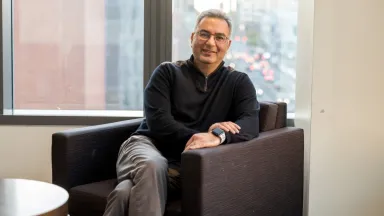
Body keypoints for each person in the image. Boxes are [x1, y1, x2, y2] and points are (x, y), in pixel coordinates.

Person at [103, 9, 260, 216]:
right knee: (153, 165)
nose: (211, 43)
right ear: (192, 37)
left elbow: (250, 123)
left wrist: (218, 136)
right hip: (145, 147)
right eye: (204, 34)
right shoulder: (167, 73)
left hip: (185, 165)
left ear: (228, 45)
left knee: (124, 193)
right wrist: (200, 136)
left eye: (219, 37)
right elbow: (159, 123)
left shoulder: (238, 82)